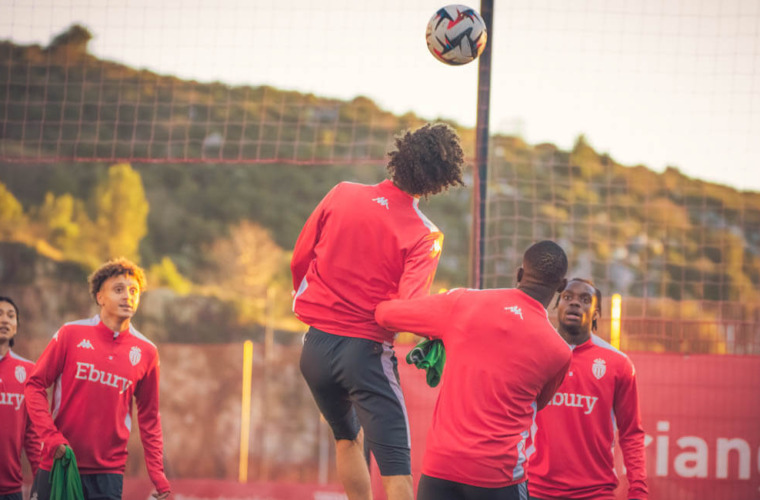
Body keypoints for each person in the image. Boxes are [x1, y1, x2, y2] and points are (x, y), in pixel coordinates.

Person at [292, 123, 466, 500]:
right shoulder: (426, 234)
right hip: (365, 355)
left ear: (399, 156)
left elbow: (300, 258)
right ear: (438, 183)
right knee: (397, 469)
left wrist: (311, 303)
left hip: (315, 349)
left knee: (347, 440)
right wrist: (439, 326)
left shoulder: (342, 193)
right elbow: (406, 310)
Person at [375, 240, 572, 500]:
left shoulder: (463, 302)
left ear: (519, 274)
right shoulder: (559, 352)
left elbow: (385, 314)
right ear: (561, 286)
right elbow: (539, 403)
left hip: (441, 470)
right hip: (499, 476)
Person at [25, 258, 170, 500]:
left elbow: (149, 419)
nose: (128, 296)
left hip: (108, 475)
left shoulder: (147, 352)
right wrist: (50, 437)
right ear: (100, 297)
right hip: (59, 464)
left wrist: (159, 477)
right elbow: (34, 385)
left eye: (134, 291)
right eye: (118, 290)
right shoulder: (71, 333)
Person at [529, 278, 648, 500]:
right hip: (536, 490)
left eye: (585, 300)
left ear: (596, 313)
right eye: (567, 297)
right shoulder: (535, 355)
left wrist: (638, 490)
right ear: (557, 306)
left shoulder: (617, 364)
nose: (575, 303)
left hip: (595, 493)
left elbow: (631, 434)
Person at [0, 296, 40, 500]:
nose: (5, 320)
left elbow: (33, 434)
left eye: (11, 315)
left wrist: (41, 483)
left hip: (11, 490)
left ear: (16, 326)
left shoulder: (29, 371)